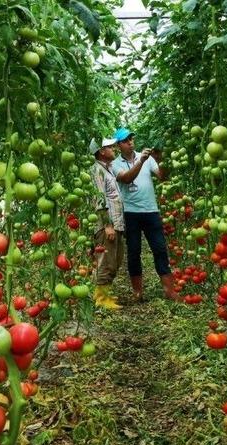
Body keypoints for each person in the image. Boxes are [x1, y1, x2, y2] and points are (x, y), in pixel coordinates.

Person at [111, 128, 180, 302]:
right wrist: (142, 160)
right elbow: (126, 178)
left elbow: (162, 177)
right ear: (119, 145)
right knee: (134, 252)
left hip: (151, 211)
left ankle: (169, 291)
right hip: (130, 213)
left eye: (131, 139)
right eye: (126, 141)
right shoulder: (115, 163)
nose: (130, 142)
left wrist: (161, 160)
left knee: (160, 249)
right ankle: (137, 292)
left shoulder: (147, 159)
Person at [88, 137, 124, 310]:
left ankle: (104, 292)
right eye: (111, 147)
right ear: (102, 151)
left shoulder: (107, 170)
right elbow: (99, 198)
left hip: (115, 222)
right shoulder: (97, 170)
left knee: (115, 260)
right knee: (106, 260)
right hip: (107, 224)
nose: (114, 149)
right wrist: (107, 224)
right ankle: (101, 298)